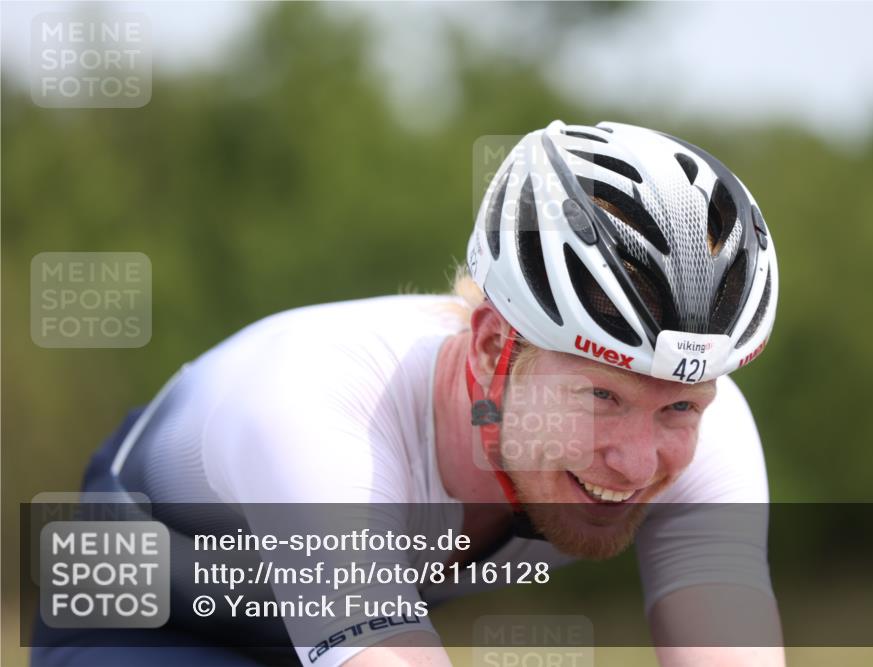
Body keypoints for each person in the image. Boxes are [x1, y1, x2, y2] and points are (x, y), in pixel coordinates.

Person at [32, 120, 783, 667]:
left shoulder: (707, 430)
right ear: (494, 346)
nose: (635, 459)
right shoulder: (318, 402)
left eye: (679, 406)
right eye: (600, 398)